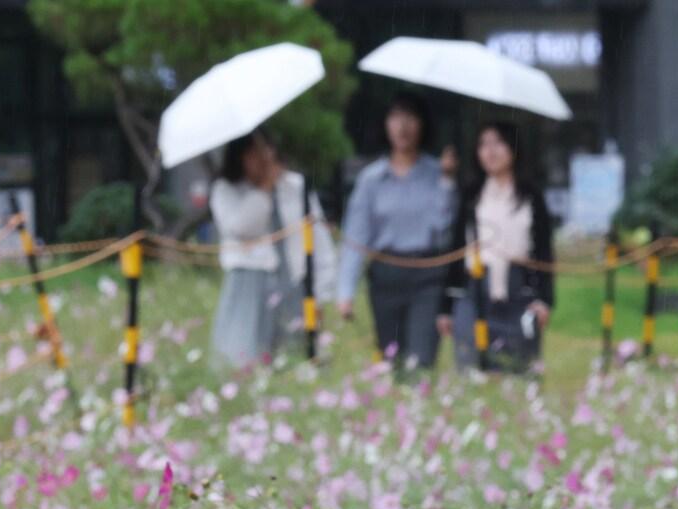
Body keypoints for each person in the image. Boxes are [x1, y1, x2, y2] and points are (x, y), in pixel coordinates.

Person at [337, 93, 457, 369]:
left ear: (422, 124)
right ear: (386, 124)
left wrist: (448, 182)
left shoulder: (437, 173)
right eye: (395, 117)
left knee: (420, 360)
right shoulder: (371, 179)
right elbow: (356, 236)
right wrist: (345, 291)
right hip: (386, 276)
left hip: (427, 276)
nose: (403, 126)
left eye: (410, 117)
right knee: (392, 359)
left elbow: (445, 228)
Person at [209, 130, 337, 370]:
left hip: (295, 281)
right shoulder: (225, 189)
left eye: (264, 150)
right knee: (243, 359)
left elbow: (319, 242)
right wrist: (264, 188)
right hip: (248, 284)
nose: (261, 158)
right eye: (253, 153)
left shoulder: (295, 185)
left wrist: (321, 292)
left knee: (296, 355)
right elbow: (242, 228)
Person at [440, 122, 552, 373]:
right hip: (474, 288)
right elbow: (455, 249)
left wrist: (544, 299)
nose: (490, 151)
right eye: (484, 144)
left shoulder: (531, 195)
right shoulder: (471, 194)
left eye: (498, 143)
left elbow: (544, 251)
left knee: (518, 368)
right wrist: (446, 307)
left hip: (519, 288)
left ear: (512, 148)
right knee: (471, 367)